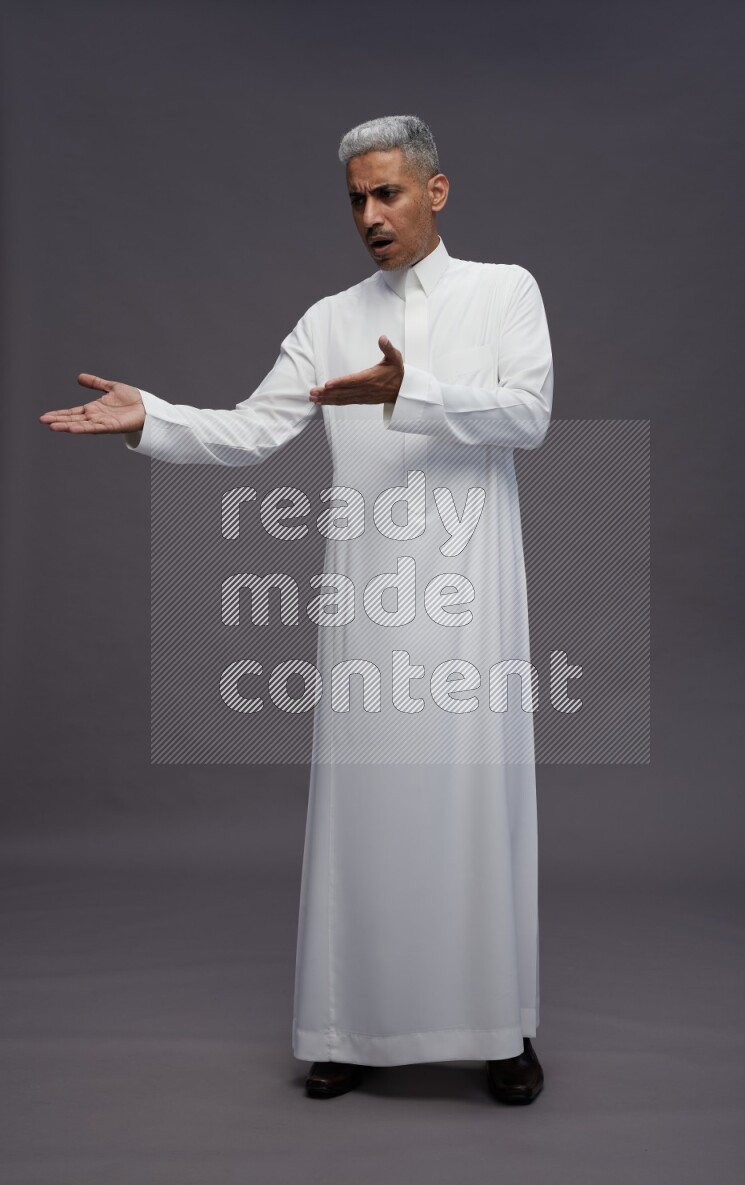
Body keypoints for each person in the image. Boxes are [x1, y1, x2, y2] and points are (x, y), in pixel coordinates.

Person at [40, 114, 554, 1105]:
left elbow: (526, 413)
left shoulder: (505, 292)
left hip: (469, 607)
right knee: (365, 815)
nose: (369, 214)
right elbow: (249, 434)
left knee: (472, 813)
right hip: (366, 604)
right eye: (356, 198)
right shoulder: (329, 318)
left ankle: (500, 1031)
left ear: (434, 193)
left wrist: (418, 390)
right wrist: (150, 417)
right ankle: (348, 1028)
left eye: (388, 193)